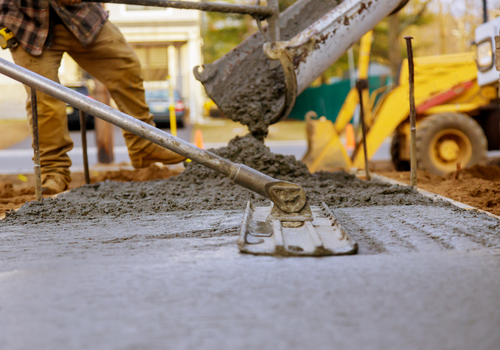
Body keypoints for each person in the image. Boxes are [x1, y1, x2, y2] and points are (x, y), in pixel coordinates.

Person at [0, 0, 186, 194]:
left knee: (126, 67)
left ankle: (144, 145)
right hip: (27, 23)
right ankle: (53, 172)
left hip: (82, 16)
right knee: (44, 100)